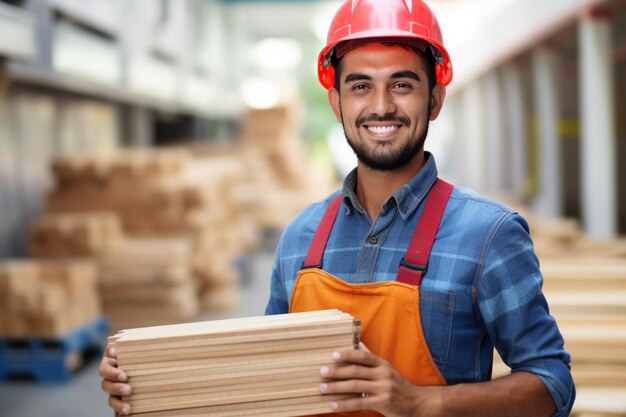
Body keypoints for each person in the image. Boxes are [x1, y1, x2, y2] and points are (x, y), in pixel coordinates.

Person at [100, 0, 575, 416]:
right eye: (361, 86)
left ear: (435, 99)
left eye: (403, 85)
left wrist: (424, 404)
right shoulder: (301, 237)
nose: (382, 106)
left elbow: (552, 384)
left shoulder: (489, 234)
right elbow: (265, 377)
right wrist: (149, 388)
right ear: (337, 102)